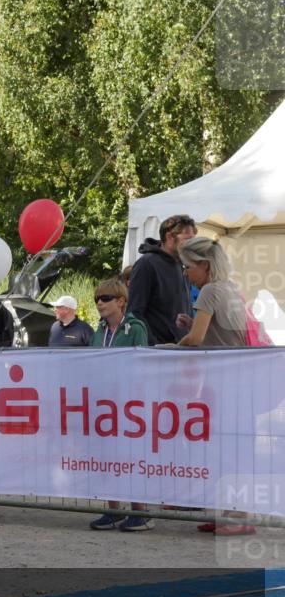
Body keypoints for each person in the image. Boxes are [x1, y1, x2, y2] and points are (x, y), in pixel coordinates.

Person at [174, 236, 256, 536]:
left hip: (222, 383)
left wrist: (173, 345)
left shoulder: (209, 291)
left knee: (224, 449)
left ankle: (233, 517)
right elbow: (227, 335)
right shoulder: (231, 289)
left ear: (203, 265)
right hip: (241, 380)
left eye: (188, 266)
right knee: (235, 448)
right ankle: (235, 515)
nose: (185, 272)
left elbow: (195, 339)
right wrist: (191, 329)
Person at [86, 279, 152, 532]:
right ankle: (112, 510)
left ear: (121, 301)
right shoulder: (98, 331)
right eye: (97, 299)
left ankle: (141, 512)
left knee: (132, 457)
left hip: (129, 405)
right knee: (107, 458)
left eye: (105, 298)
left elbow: (142, 364)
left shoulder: (135, 328)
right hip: (104, 404)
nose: (100, 303)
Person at [127, 214, 195, 345]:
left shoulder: (182, 265)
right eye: (188, 239)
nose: (192, 245)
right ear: (170, 236)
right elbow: (134, 313)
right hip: (157, 353)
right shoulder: (146, 264)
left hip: (179, 349)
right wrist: (155, 345)